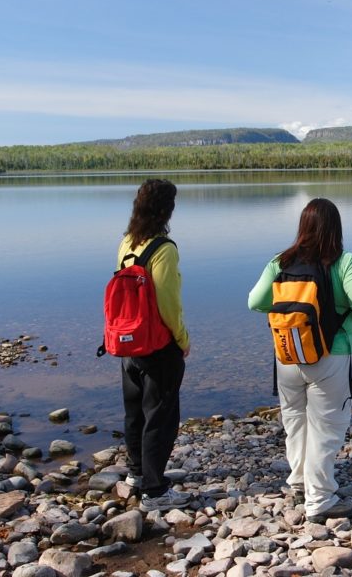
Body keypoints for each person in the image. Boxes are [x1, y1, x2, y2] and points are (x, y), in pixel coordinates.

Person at [248, 198, 352, 523]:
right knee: (327, 427)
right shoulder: (346, 262)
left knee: (295, 421)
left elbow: (255, 302)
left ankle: (299, 482)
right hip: (334, 356)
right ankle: (319, 500)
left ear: (302, 227)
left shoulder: (281, 262)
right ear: (336, 228)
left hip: (288, 354)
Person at [116, 179, 192, 512]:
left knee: (134, 411)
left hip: (128, 342)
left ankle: (136, 474)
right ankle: (156, 491)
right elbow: (168, 304)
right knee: (160, 416)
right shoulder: (163, 249)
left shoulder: (128, 243)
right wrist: (182, 340)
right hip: (158, 346)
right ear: (166, 209)